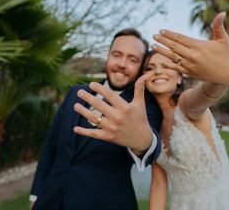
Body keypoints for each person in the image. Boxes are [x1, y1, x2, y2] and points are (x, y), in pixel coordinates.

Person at [76, 12, 229, 210]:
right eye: (150, 68)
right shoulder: (151, 125)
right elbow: (158, 184)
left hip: (223, 202)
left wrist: (223, 77)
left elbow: (206, 93)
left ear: (180, 77)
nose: (158, 71)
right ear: (142, 78)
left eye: (166, 65)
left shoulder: (187, 104)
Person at [29, 28, 162, 210]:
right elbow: (51, 146)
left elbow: (150, 143)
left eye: (133, 59)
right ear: (108, 56)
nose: (122, 64)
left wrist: (143, 143)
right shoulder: (76, 93)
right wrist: (36, 194)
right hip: (50, 201)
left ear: (140, 68)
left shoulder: (143, 108)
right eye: (117, 55)